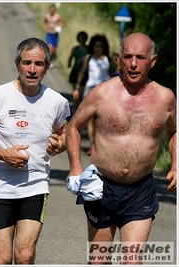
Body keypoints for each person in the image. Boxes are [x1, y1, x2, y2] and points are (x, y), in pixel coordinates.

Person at [66, 32, 176, 264]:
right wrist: (75, 167)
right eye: (127, 57)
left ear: (153, 61)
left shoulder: (165, 98)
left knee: (132, 260)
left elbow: (174, 131)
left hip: (141, 190)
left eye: (140, 57)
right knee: (99, 260)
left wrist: (176, 164)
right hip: (102, 188)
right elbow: (74, 127)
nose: (133, 64)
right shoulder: (101, 94)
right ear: (119, 59)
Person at [0, 37, 70, 264]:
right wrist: (4, 154)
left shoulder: (57, 102)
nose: (32, 70)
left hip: (35, 185)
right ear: (17, 64)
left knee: (25, 255)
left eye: (39, 64)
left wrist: (60, 145)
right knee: (1, 259)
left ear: (47, 67)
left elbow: (66, 134)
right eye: (26, 63)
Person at [74, 34, 111, 155]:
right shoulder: (88, 58)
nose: (98, 49)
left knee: (102, 119)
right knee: (90, 119)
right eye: (96, 46)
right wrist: (77, 87)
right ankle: (92, 145)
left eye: (100, 46)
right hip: (90, 89)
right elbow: (82, 72)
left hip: (105, 90)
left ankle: (101, 145)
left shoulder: (108, 58)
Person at [67, 31, 89, 113]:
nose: (82, 39)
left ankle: (80, 110)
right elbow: (70, 57)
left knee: (83, 94)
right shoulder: (75, 49)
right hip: (75, 71)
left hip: (85, 72)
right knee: (75, 93)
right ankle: (75, 110)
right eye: (80, 37)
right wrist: (69, 63)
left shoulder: (88, 49)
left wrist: (83, 59)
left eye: (83, 37)